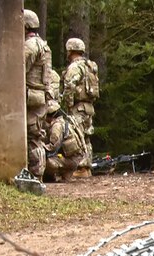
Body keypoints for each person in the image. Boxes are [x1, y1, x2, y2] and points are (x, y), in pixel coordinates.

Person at [62, 38, 100, 177]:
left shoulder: (74, 67)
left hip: (78, 107)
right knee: (86, 136)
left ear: (70, 50)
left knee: (77, 136)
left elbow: (69, 86)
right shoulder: (90, 66)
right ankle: (87, 168)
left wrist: (68, 104)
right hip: (89, 106)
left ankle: (81, 167)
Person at [23, 9, 53, 182]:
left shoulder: (30, 46)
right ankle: (37, 175)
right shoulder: (43, 44)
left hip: (31, 96)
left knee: (32, 138)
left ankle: (34, 176)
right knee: (36, 136)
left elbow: (19, 69)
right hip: (39, 96)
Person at [43, 100, 87, 182]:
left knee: (47, 161)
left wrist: (40, 146)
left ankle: (61, 172)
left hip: (72, 160)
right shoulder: (64, 122)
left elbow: (52, 147)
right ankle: (66, 174)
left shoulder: (57, 126)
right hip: (75, 158)